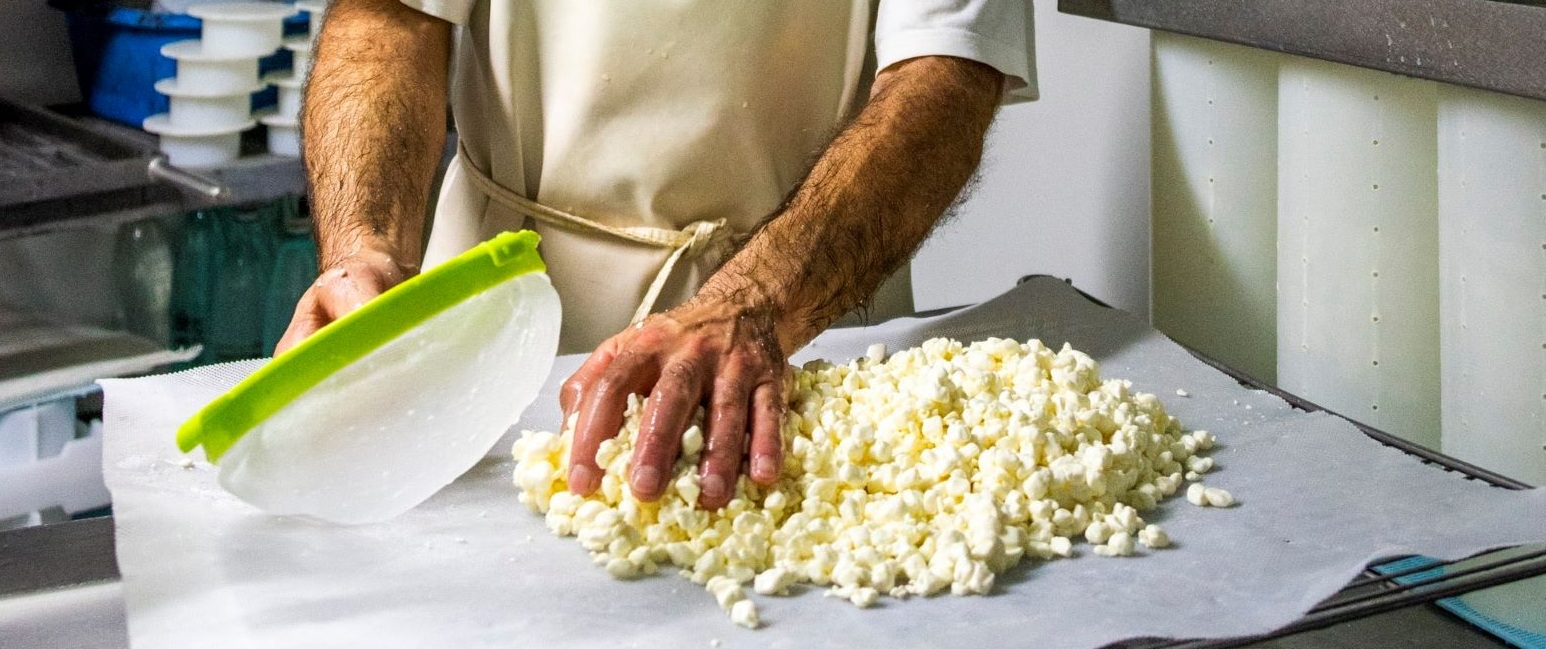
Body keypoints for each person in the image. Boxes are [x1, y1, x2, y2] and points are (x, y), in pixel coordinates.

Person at [277, 0, 1037, 511]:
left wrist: (759, 302)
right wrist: (362, 244)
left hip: (797, 333)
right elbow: (388, 19)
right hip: (490, 331)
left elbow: (945, 75)